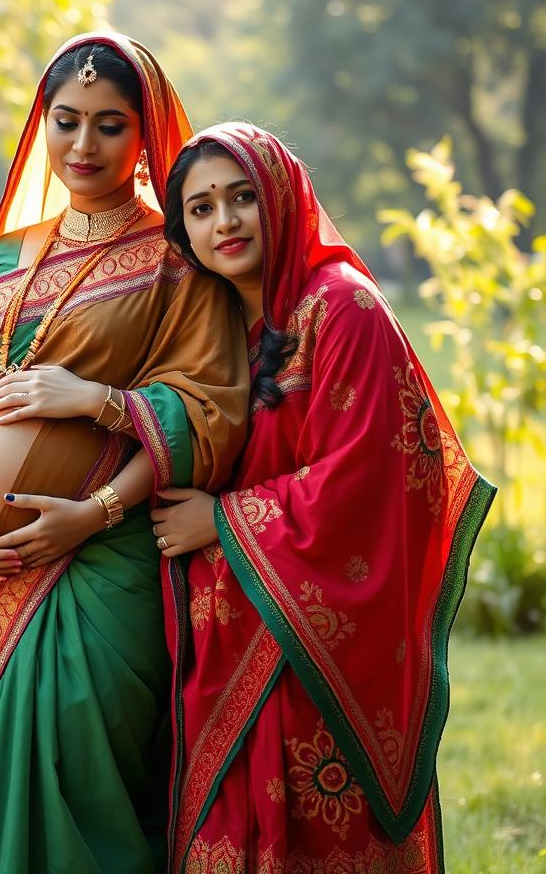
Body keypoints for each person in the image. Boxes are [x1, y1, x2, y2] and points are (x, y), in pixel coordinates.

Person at [0, 32, 250, 874]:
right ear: (42, 127)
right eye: (67, 121)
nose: (84, 145)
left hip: (105, 558)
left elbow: (205, 412)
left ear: (145, 137)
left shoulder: (178, 260)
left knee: (75, 751)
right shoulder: (2, 259)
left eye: (109, 124)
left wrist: (93, 506)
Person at [156, 123, 495, 873]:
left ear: (282, 196)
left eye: (242, 197)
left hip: (314, 641)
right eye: (202, 208)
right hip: (232, 632)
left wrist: (219, 519)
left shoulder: (345, 310)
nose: (226, 222)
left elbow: (366, 482)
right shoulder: (215, 326)